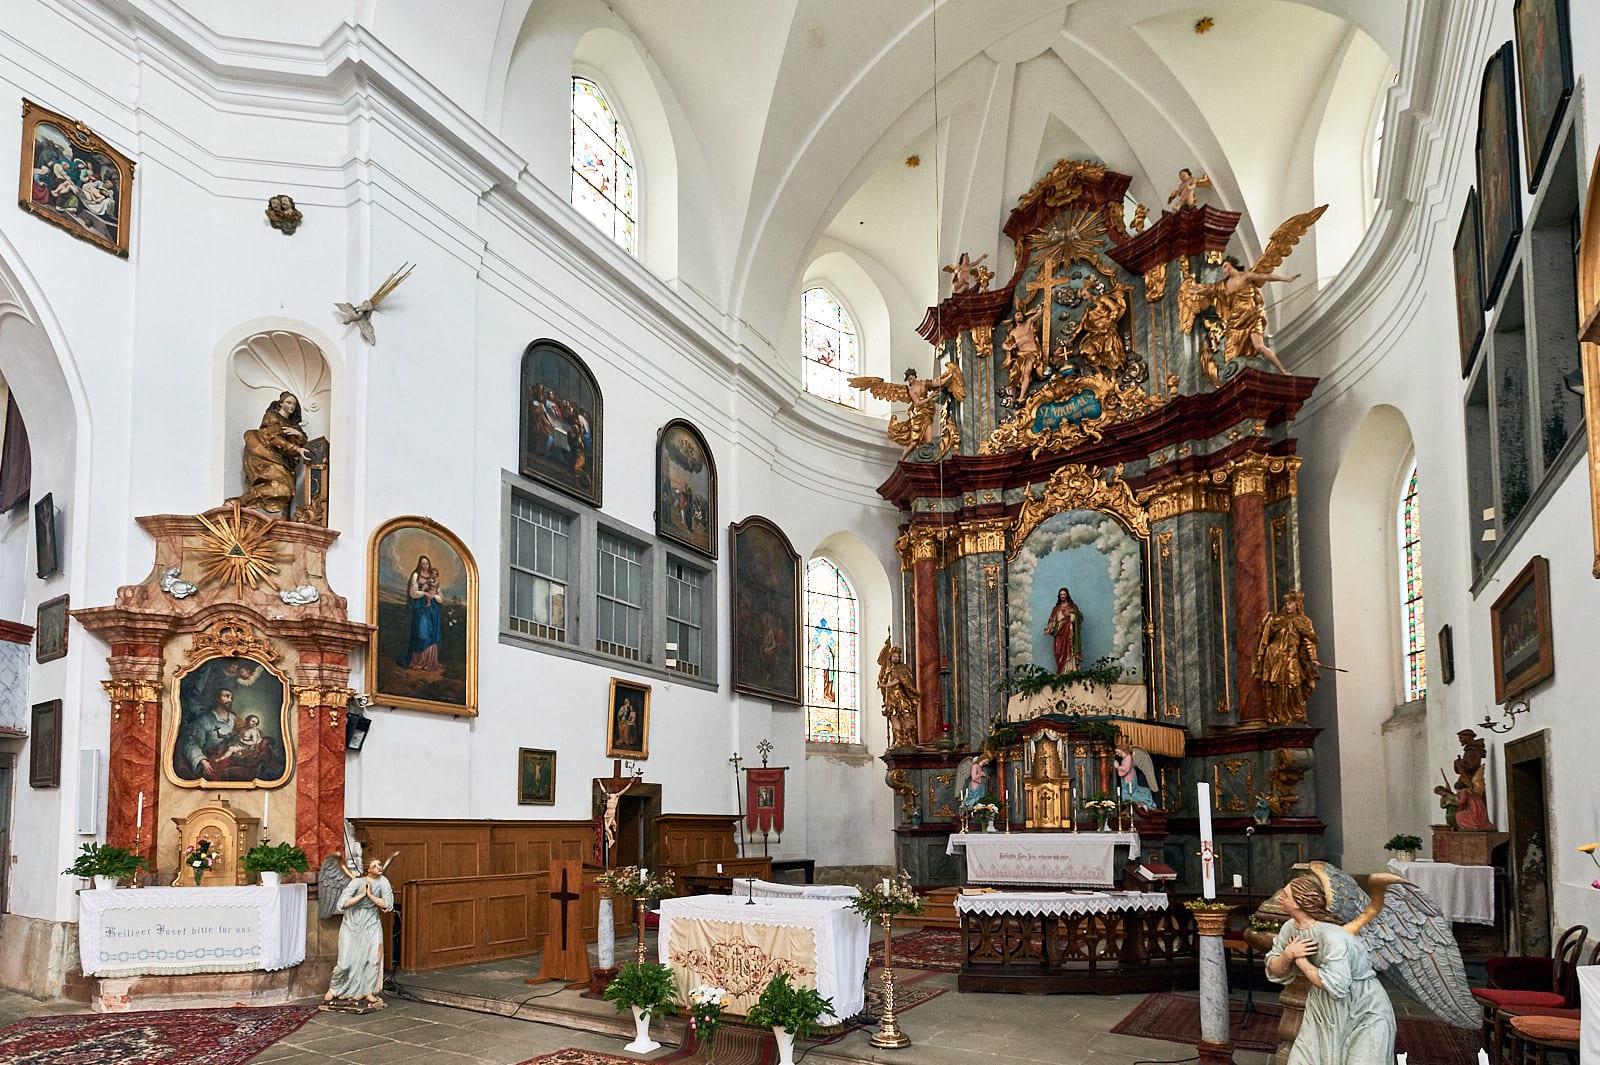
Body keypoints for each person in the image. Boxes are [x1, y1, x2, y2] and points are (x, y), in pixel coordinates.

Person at [1264, 876, 1397, 1064]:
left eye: (1285, 895)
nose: (1279, 898)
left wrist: (1301, 961)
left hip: (1362, 1006)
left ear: (1300, 902)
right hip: (1322, 1006)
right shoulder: (1290, 928)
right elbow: (1275, 969)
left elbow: (1336, 985)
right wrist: (1287, 955)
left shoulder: (1332, 936)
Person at [324, 858, 394, 1010]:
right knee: (345, 963)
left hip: (371, 923)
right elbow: (341, 904)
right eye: (375, 865)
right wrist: (362, 895)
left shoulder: (383, 882)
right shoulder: (357, 882)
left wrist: (371, 896)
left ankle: (368, 991)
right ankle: (334, 988)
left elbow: (388, 905)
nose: (379, 867)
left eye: (380, 864)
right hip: (352, 924)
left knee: (373, 959)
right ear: (368, 869)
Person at [238, 391, 312, 516]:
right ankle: (243, 501)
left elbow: (304, 440)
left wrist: (298, 434)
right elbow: (273, 438)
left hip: (286, 462)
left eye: (294, 404)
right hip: (268, 458)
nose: (292, 406)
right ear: (281, 403)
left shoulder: (294, 425)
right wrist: (297, 449)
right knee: (283, 489)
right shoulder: (272, 417)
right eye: (288, 402)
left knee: (287, 491)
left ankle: (272, 510)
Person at [1253, 592, 1320, 724]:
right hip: (1273, 657)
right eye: (1287, 604)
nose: (1288, 606)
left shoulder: (1304, 621)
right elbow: (1265, 637)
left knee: (1294, 682)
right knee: (1275, 685)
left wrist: (1313, 659)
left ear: (1297, 605)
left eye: (1290, 603)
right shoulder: (1278, 620)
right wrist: (1264, 623)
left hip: (1291, 656)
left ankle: (1298, 713)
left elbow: (1309, 641)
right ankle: (1276, 715)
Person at [180, 688, 239, 780]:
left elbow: (246, 732)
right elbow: (191, 744)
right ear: (217, 699)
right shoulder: (204, 720)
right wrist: (203, 761)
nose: (230, 700)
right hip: (214, 760)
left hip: (232, 757)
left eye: (231, 698)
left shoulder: (234, 719)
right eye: (226, 696)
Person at [399, 554, 443, 672]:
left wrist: (434, 596)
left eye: (427, 563)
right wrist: (424, 594)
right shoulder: (416, 575)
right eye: (423, 563)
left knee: (431, 633)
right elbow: (413, 593)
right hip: (420, 608)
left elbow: (440, 596)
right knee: (422, 633)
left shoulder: (433, 577)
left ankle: (430, 662)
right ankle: (418, 661)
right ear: (419, 564)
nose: (425, 566)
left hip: (432, 610)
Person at [876, 636, 920, 749]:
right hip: (890, 697)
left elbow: (899, 680)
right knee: (894, 717)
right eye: (894, 656)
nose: (896, 658)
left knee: (907, 715)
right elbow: (883, 680)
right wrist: (882, 684)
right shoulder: (888, 669)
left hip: (900, 695)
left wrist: (884, 685)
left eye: (898, 656)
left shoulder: (902, 668)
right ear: (890, 657)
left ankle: (910, 740)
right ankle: (898, 741)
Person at [1043, 587, 1083, 674]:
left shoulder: (1073, 607)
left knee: (1070, 651)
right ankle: (1062, 672)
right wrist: (1049, 629)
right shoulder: (1056, 609)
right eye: (1061, 594)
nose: (1063, 596)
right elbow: (1051, 621)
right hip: (1059, 634)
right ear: (1059, 596)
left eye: (1064, 594)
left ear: (1067, 595)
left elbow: (1080, 618)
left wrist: (1074, 618)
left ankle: (1071, 671)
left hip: (1070, 634)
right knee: (1058, 652)